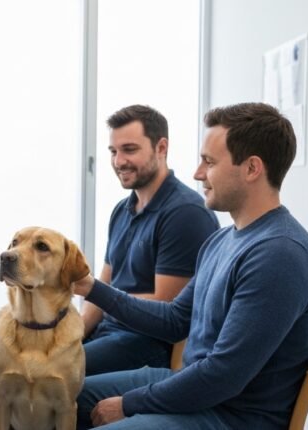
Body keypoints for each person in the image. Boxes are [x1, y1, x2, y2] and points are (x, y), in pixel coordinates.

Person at [73, 102, 308, 429]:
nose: (197, 173)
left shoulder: (280, 255)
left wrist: (130, 403)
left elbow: (223, 375)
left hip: (231, 416)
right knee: (57, 397)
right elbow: (176, 318)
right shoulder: (222, 240)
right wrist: (92, 288)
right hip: (197, 391)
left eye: (209, 162)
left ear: (251, 169)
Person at [80, 105, 218, 376]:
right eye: (113, 151)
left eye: (129, 150)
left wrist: (97, 294)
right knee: (29, 363)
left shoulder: (186, 214)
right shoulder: (122, 210)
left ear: (161, 148)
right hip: (108, 333)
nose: (119, 161)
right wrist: (73, 335)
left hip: (146, 344)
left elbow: (165, 311)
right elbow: (101, 287)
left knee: (43, 377)